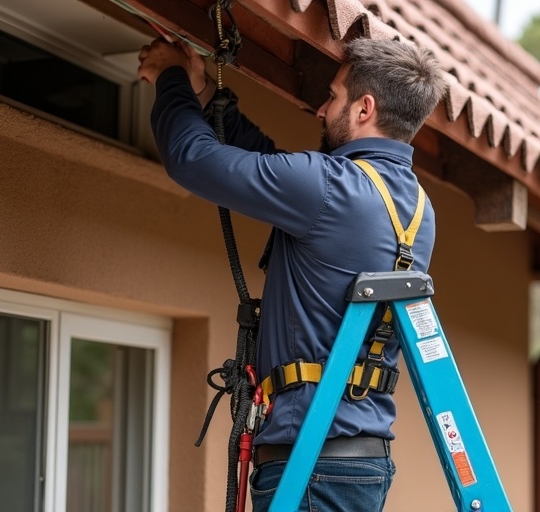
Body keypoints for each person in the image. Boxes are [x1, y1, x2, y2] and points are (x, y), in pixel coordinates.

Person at [138, 36, 447, 512]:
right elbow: (274, 170)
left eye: (333, 96)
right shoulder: (416, 207)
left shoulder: (327, 187)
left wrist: (171, 77)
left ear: (364, 108)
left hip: (309, 468)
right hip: (364, 461)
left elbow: (193, 160)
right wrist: (209, 97)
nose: (322, 110)